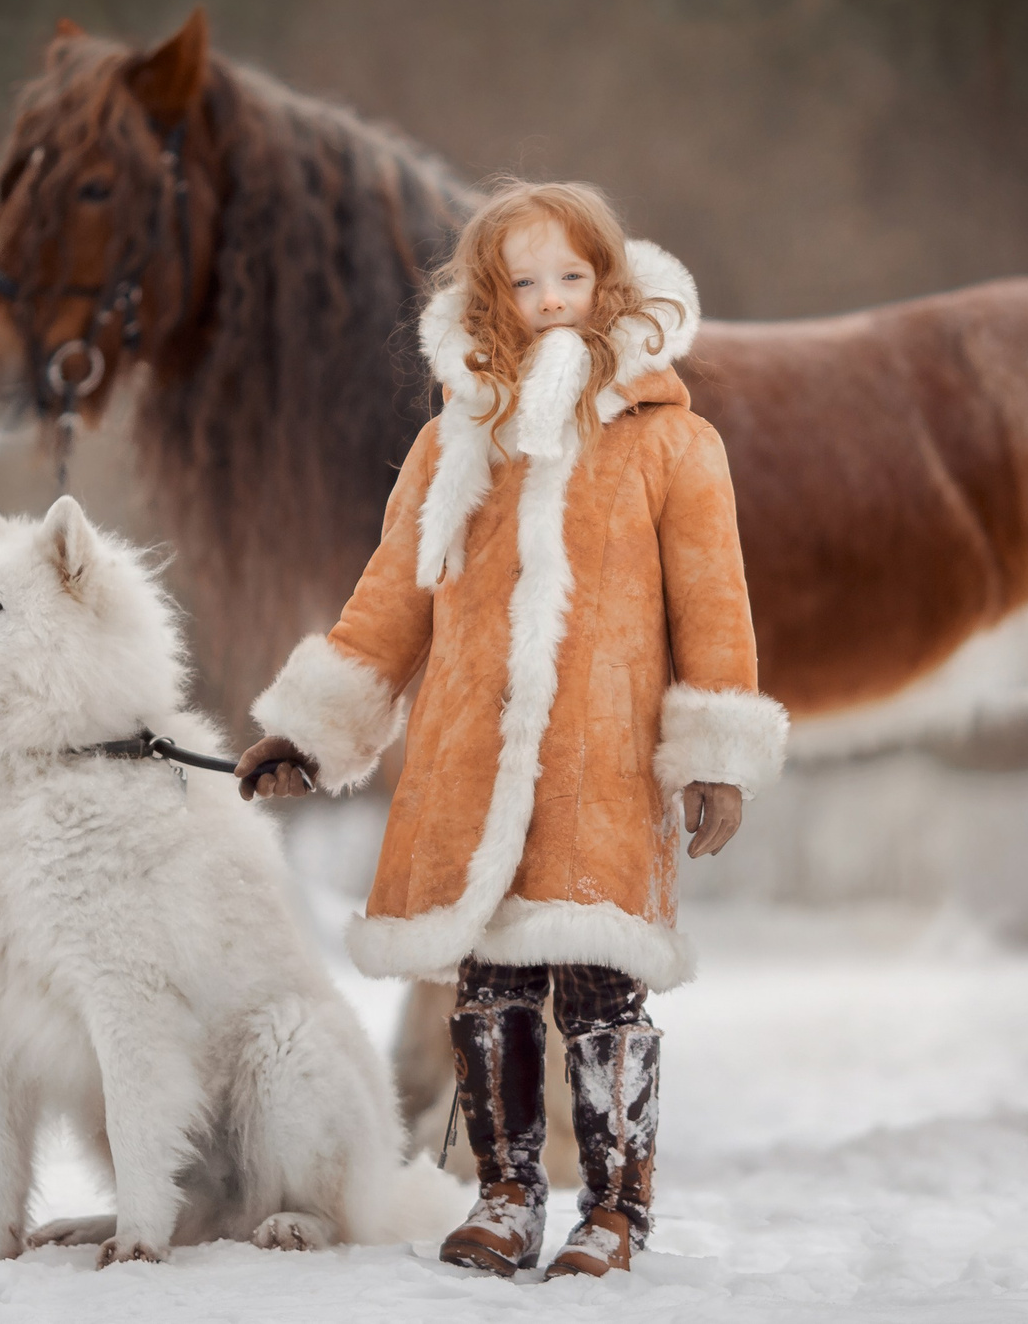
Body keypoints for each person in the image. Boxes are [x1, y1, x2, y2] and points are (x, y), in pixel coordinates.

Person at [234, 180, 788, 1279]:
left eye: (569, 278)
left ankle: (615, 1208)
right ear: (490, 296)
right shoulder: (454, 443)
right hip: (469, 764)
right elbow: (391, 599)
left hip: (603, 764)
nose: (547, 301)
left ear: (608, 283)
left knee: (596, 984)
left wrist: (715, 757)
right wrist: (315, 731)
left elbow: (714, 607)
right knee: (486, 987)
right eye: (522, 282)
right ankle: (506, 1194)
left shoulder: (674, 447)